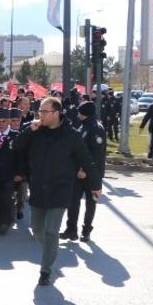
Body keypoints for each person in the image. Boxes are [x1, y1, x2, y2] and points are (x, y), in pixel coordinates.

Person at [13, 96, 102, 286]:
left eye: (44, 112)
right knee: (37, 230)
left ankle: (46, 271)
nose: (40, 115)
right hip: (38, 188)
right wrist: (29, 130)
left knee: (52, 231)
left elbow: (87, 160)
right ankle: (51, 249)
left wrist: (95, 185)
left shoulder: (72, 135)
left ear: (56, 113)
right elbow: (16, 146)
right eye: (39, 111)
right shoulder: (34, 130)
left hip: (61, 189)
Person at [62, 102, 107, 242]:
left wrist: (85, 170)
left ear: (85, 113)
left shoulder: (96, 128)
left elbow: (96, 154)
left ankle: (86, 230)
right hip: (78, 173)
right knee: (73, 201)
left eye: (79, 111)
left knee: (90, 203)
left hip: (91, 174)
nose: (77, 114)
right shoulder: (84, 126)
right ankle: (71, 230)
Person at [0, 108, 22, 235]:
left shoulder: (16, 135)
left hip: (10, 174)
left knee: (7, 198)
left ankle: (5, 222)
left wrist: (19, 173)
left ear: (8, 121)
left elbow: (21, 157)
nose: (1, 124)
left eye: (4, 121)